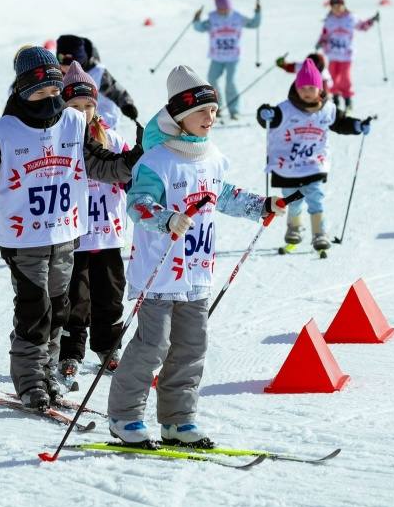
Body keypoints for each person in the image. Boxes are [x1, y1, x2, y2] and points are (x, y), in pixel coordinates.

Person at [106, 65, 287, 449]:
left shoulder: (212, 157)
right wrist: (166, 218)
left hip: (197, 269)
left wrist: (261, 205)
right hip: (159, 272)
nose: (211, 117)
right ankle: (124, 416)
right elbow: (138, 204)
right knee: (153, 345)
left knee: (191, 346)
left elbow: (225, 195)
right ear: (180, 115)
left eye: (214, 110)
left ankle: (178, 419)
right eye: (202, 110)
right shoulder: (156, 161)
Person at [0, 45, 142, 411]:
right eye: (39, 91)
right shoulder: (3, 131)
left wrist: (131, 160)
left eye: (54, 90)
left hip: (65, 232)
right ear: (22, 90)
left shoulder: (74, 122)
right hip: (23, 237)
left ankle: (47, 375)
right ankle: (30, 381)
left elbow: (99, 163)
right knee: (34, 309)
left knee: (59, 308)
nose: (48, 98)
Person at [55, 63, 135, 387]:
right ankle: (70, 353)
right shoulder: (57, 141)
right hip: (73, 236)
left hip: (107, 233)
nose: (82, 112)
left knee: (110, 295)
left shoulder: (112, 139)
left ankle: (108, 347)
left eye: (87, 106)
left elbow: (132, 175)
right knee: (74, 299)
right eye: (74, 106)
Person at [256, 59, 371, 253]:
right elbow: (269, 119)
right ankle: (294, 228)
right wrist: (263, 113)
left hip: (313, 164)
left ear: (320, 88)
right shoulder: (285, 109)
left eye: (311, 87)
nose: (306, 92)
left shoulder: (328, 109)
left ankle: (320, 233)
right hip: (288, 167)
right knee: (292, 201)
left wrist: (357, 125)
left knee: (316, 199)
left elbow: (341, 123)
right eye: (302, 88)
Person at [192, 0, 262, 120]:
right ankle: (216, 107)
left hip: (233, 57)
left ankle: (234, 110)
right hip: (216, 56)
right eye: (221, 9)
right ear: (217, 8)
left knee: (231, 82)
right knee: (212, 81)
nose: (224, 11)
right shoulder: (212, 18)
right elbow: (199, 28)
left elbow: (254, 24)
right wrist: (196, 19)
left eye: (227, 8)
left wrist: (258, 12)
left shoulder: (237, 17)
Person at [54, 34, 139, 130]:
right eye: (60, 58)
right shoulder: (60, 75)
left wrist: (127, 104)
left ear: (80, 59)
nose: (64, 66)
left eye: (69, 61)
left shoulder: (98, 73)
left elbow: (115, 91)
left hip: (104, 120)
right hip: (77, 121)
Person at [315, 0, 377, 114]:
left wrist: (371, 21)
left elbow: (362, 26)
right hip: (333, 53)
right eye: (334, 7)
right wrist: (320, 42)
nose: (337, 9)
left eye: (339, 6)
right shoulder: (329, 19)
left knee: (345, 78)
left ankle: (348, 100)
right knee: (332, 77)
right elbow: (325, 34)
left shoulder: (350, 18)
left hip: (346, 54)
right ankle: (335, 99)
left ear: (344, 5)